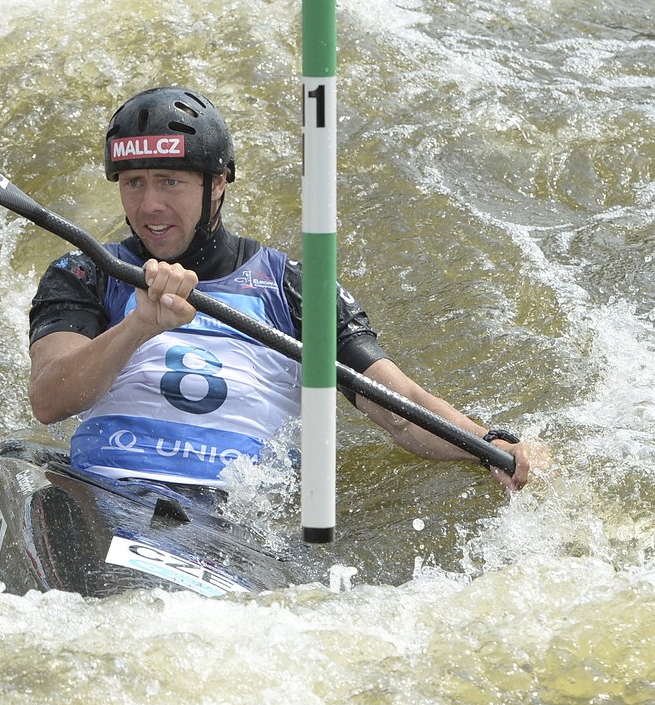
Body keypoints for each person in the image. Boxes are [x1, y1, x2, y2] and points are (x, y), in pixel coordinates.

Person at [27, 86, 533, 493]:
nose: (150, 204)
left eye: (170, 181)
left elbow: (402, 410)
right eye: (133, 183)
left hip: (232, 516)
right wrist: (138, 326)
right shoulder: (87, 271)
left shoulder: (294, 288)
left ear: (218, 183)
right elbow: (50, 400)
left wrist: (490, 444)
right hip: (103, 489)